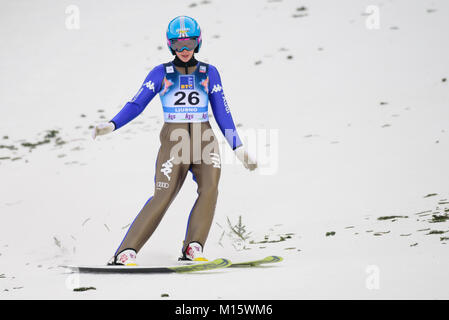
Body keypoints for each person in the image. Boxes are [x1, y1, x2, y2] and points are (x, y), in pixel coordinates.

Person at [92, 16, 257, 266]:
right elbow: (137, 103)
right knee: (163, 194)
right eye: (177, 44)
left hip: (204, 137)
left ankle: (193, 246)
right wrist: (112, 124)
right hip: (174, 139)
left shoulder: (209, 73)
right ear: (170, 45)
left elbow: (223, 113)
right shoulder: (161, 72)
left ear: (198, 42)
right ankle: (125, 251)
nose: (184, 50)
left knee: (210, 189)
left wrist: (238, 147)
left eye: (189, 43)